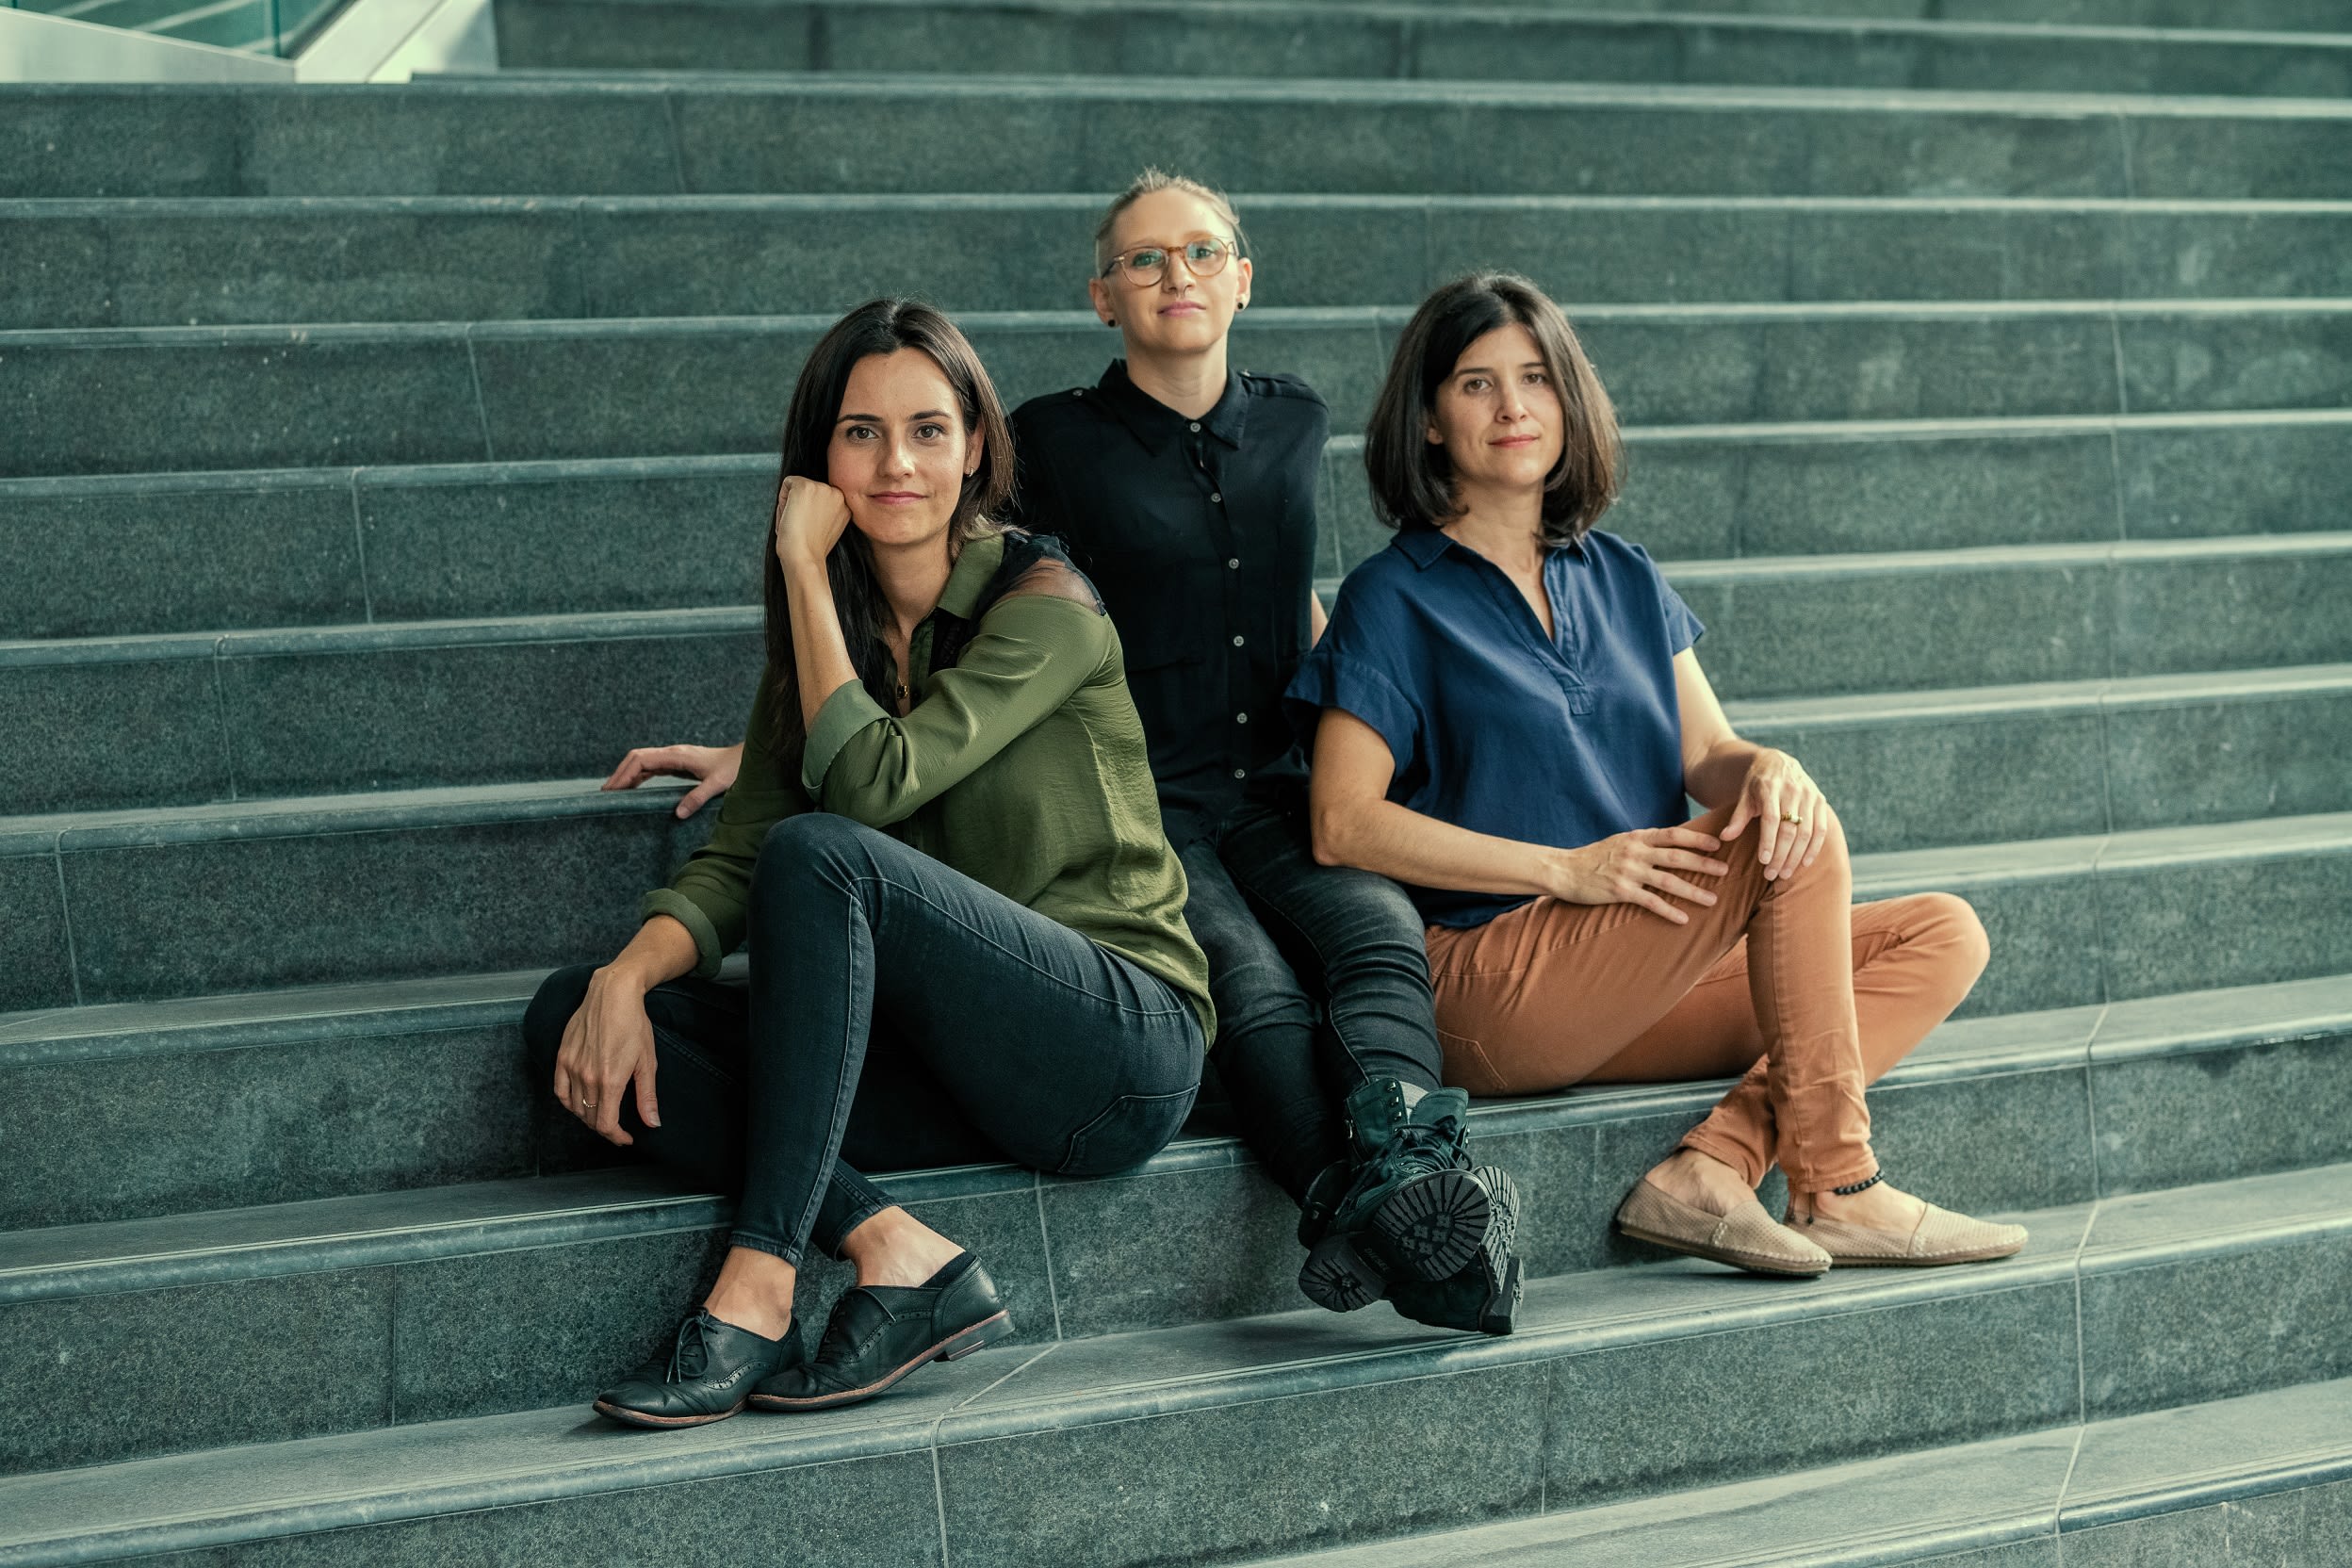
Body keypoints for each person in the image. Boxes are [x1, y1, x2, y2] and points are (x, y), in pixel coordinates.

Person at [605, 172, 1528, 1335]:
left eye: (1199, 251)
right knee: (1249, 981)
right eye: (1143, 259)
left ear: (1245, 276)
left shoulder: (1269, 436)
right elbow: (897, 647)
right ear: (1102, 294)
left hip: (1253, 809)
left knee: (1377, 929)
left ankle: (1404, 1175)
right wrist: (753, 772)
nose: (1175, 275)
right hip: (1146, 805)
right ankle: (1318, 1200)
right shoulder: (1053, 445)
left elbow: (1289, 604)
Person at [527, 298, 1213, 1430]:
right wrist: (624, 978)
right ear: (821, 454)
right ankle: (890, 1243)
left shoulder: (1045, 608)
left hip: (1114, 1045)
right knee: (570, 1012)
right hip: (949, 1051)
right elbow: (742, 847)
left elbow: (870, 787)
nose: (897, 462)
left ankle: (756, 1285)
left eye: (930, 430)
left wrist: (800, 569)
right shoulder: (839, 630)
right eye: (861, 433)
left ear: (977, 447)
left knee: (829, 853)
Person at [1287, 271, 2026, 1277]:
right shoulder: (1392, 599)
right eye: (1476, 383)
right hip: (1487, 977)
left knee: (1939, 932)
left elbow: (1709, 757)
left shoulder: (1621, 572)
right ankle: (1838, 1185)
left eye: (1538, 378)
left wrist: (1770, 765)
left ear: (1569, 400)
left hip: (1632, 962)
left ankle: (1713, 1165)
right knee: (1784, 842)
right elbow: (1341, 821)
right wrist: (1565, 869)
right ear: (1427, 420)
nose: (1513, 407)